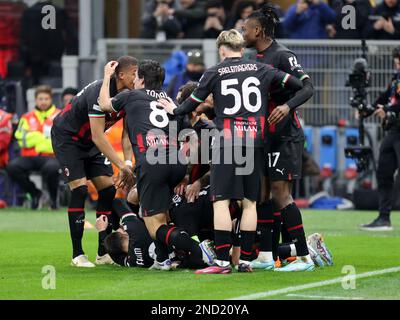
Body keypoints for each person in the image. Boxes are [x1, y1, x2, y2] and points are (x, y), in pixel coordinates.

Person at [158, 29, 311, 274]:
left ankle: (221, 262)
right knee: (250, 202)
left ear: (222, 49)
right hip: (255, 141)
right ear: (242, 47)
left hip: (227, 142)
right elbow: (298, 84)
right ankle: (247, 261)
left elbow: (192, 103)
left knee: (221, 201)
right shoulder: (262, 69)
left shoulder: (215, 71)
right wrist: (286, 104)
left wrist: (173, 110)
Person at [98, 59, 206, 272]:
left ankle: (200, 250)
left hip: (152, 162)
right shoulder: (169, 100)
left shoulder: (131, 96)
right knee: (149, 207)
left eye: (137, 76)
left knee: (153, 225)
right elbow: (191, 137)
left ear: (141, 79)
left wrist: (106, 77)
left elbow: (103, 104)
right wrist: (185, 173)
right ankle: (163, 258)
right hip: (176, 163)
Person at [242, 5, 315, 271]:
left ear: (258, 30)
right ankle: (265, 254)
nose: (242, 32)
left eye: (245, 29)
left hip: (285, 135)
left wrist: (287, 107)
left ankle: (304, 258)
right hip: (264, 136)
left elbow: (308, 88)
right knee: (261, 194)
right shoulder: (255, 58)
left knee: (281, 194)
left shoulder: (283, 55)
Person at [51, 56, 137, 268]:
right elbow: (99, 137)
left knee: (108, 190)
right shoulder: (99, 93)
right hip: (68, 138)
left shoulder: (127, 97)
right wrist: (120, 165)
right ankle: (77, 255)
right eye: (134, 73)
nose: (137, 77)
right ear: (121, 75)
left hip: (90, 141)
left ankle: (102, 252)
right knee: (79, 190)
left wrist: (128, 162)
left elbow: (126, 134)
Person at [361, 47, 400, 231]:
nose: (397, 65)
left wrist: (388, 110)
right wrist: (368, 108)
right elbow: (387, 97)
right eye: (396, 61)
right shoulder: (396, 78)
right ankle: (384, 218)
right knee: (384, 172)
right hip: (393, 130)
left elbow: (392, 105)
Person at [7, 85, 61, 210]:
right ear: (36, 100)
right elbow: (21, 139)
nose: (43, 101)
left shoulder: (60, 115)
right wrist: (42, 138)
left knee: (52, 169)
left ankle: (53, 200)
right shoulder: (27, 117)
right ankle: (36, 194)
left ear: (51, 99)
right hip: (30, 156)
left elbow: (61, 139)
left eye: (46, 98)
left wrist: (35, 138)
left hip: (51, 156)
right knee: (12, 167)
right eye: (40, 99)